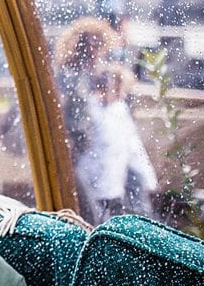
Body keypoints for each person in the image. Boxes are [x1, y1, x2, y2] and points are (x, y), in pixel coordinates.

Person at [52, 16, 120, 223]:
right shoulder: (70, 76)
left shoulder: (84, 76)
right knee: (87, 214)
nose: (97, 51)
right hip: (72, 154)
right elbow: (64, 113)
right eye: (93, 44)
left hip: (82, 154)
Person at [76, 62, 159, 222]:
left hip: (113, 184)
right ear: (106, 86)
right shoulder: (89, 109)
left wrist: (148, 178)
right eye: (119, 89)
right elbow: (85, 147)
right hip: (91, 182)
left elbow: (133, 146)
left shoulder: (119, 109)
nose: (122, 95)